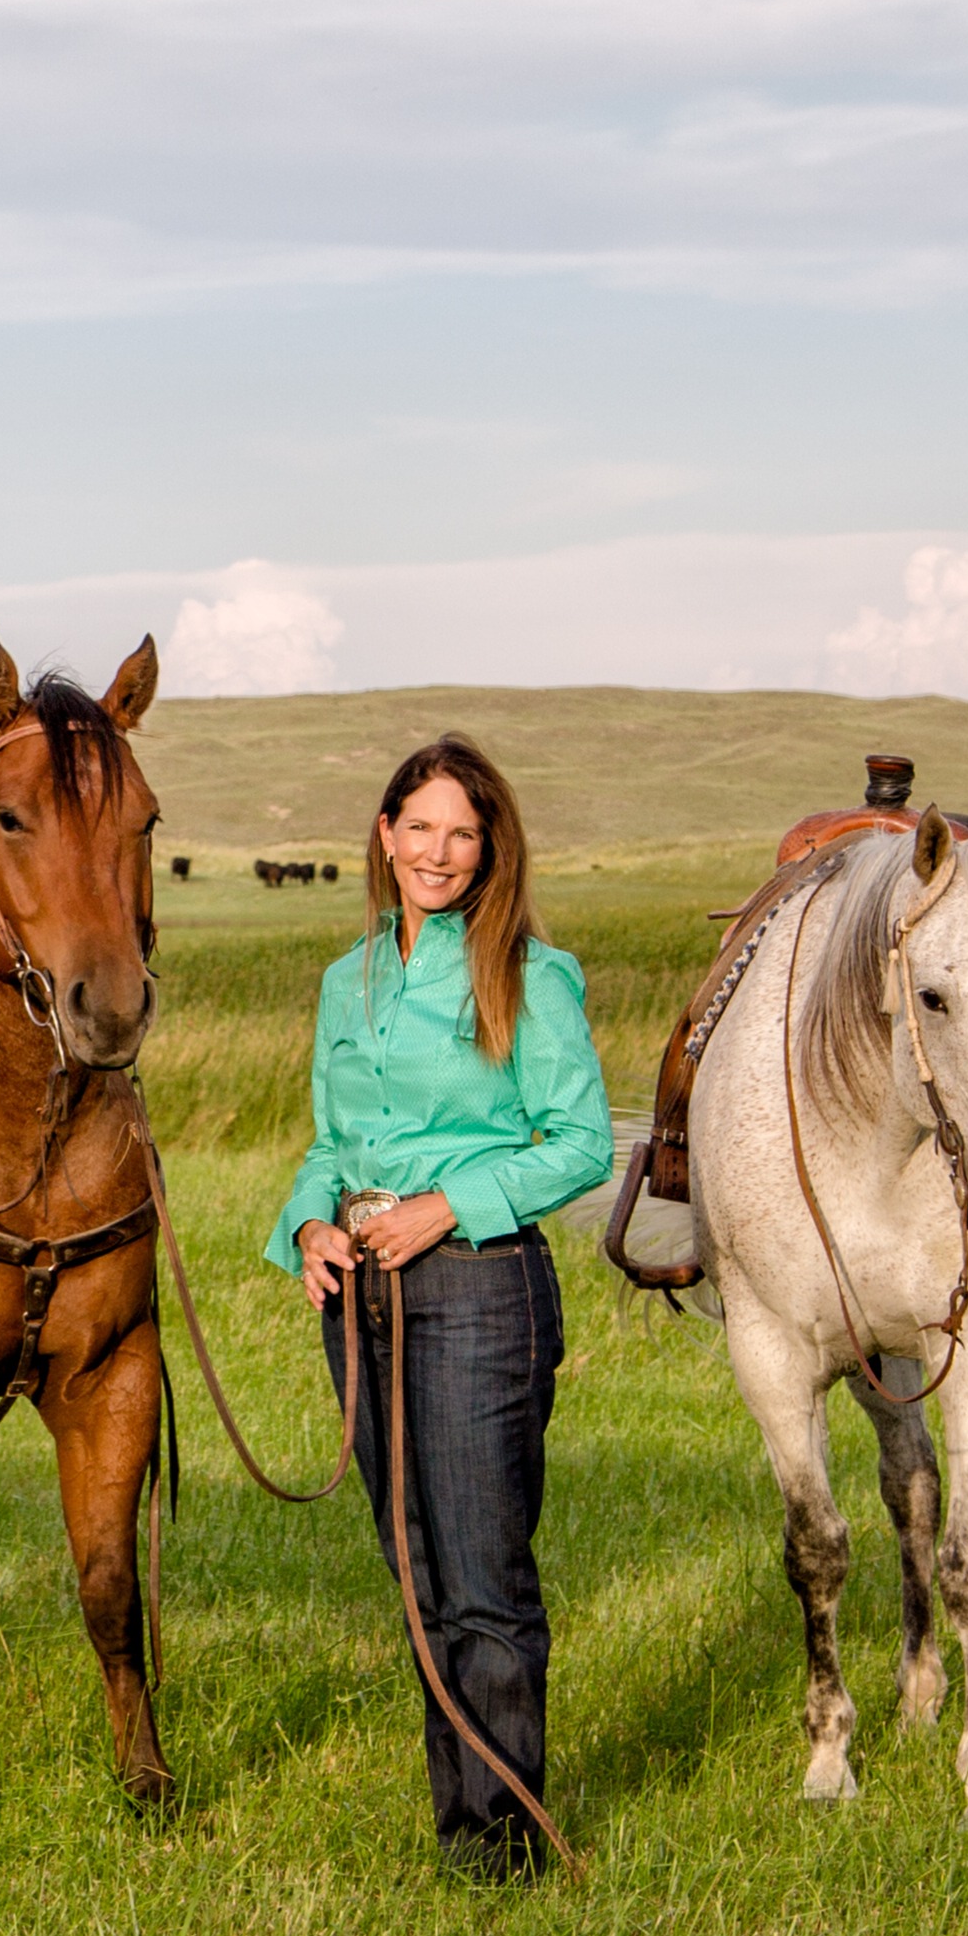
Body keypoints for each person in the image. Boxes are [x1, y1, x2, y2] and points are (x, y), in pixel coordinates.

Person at [265, 735, 614, 1873]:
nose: (439, 850)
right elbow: (332, 1140)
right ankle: (459, 1824)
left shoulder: (530, 974)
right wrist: (310, 1226)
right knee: (415, 1573)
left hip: (477, 1293)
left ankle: (506, 1842)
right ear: (384, 835)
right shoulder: (346, 979)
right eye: (419, 826)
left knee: (480, 1575)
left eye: (462, 831)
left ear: (490, 846)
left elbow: (579, 1144)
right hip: (359, 1301)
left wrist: (445, 1208)